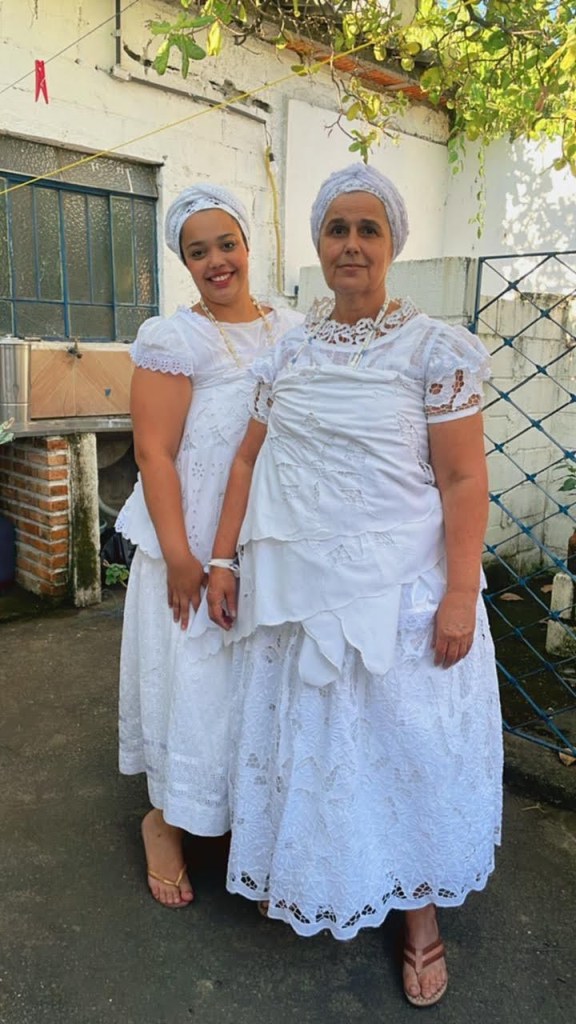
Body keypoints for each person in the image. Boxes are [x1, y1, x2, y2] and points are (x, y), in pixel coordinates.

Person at [205, 164, 503, 1006]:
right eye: (337, 228)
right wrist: (223, 560)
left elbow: (463, 480)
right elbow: (248, 459)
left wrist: (460, 593)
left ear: (393, 243)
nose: (351, 244)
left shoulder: (434, 350)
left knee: (407, 754)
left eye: (368, 228)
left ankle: (419, 919)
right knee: (322, 747)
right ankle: (317, 872)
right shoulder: (290, 349)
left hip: (402, 593)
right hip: (298, 593)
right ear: (319, 243)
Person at [116, 183, 303, 909]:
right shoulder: (174, 338)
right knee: (200, 686)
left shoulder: (294, 327)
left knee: (256, 690)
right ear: (185, 263)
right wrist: (181, 557)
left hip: (269, 540)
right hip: (191, 540)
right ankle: (164, 823)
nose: (217, 261)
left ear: (248, 245)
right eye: (199, 252)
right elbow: (154, 454)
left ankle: (241, 822)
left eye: (227, 244)